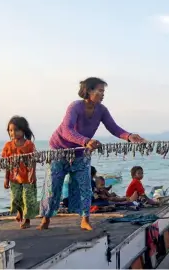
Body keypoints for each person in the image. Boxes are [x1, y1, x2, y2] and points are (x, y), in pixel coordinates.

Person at [38, 77, 146, 231]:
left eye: (103, 91)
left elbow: (114, 128)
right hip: (59, 150)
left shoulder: (102, 110)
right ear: (88, 91)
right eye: (100, 91)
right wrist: (85, 140)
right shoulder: (75, 106)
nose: (103, 94)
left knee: (85, 186)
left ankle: (85, 219)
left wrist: (129, 136)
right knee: (54, 186)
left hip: (82, 152)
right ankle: (46, 218)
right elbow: (67, 130)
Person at [1, 116, 38, 229]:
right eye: (10, 130)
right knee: (16, 198)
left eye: (16, 130)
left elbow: (33, 160)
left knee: (28, 198)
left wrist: (32, 173)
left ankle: (26, 220)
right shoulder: (8, 146)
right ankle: (20, 212)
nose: (13, 133)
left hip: (27, 177)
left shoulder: (29, 145)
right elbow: (7, 164)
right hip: (14, 178)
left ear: (23, 130)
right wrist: (6, 178)